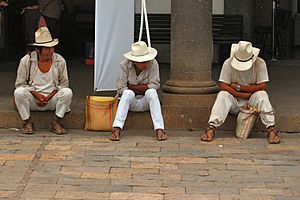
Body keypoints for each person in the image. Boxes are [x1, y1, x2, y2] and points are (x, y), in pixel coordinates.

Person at [201, 41, 280, 144]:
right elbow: (223, 85)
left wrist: (238, 87)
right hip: (234, 100)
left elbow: (262, 86)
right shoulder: (228, 63)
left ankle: (271, 129)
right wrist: (242, 94)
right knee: (222, 95)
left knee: (262, 95)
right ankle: (211, 128)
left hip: (252, 100)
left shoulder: (260, 63)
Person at [14, 27, 72, 135]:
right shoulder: (26, 61)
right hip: (33, 100)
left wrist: (48, 96)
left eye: (52, 48)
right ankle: (27, 122)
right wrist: (37, 95)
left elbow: (64, 84)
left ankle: (55, 122)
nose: (51, 51)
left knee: (67, 92)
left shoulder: (59, 61)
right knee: (18, 92)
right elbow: (20, 84)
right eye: (47, 48)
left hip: (52, 100)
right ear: (37, 49)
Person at [110, 41, 168, 141]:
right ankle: (116, 129)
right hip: (130, 103)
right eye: (143, 62)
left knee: (152, 93)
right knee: (127, 93)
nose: (147, 64)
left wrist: (132, 86)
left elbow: (155, 85)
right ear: (134, 62)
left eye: (147, 60)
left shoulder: (153, 63)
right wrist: (144, 87)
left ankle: (160, 129)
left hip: (146, 102)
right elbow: (121, 89)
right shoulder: (124, 65)